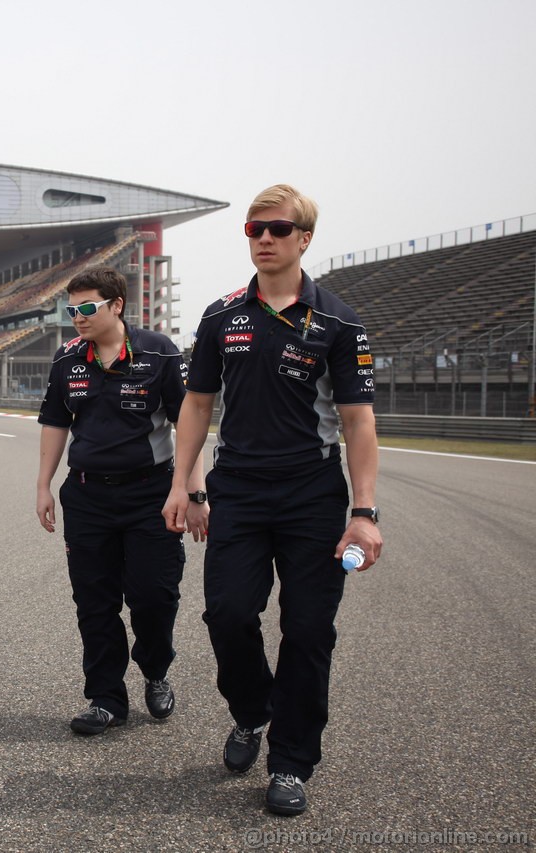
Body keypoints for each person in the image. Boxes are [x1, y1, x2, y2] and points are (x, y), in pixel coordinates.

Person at [162, 185, 383, 816]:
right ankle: (252, 711)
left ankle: (290, 761)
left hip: (312, 493)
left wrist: (363, 514)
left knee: (309, 630)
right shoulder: (220, 315)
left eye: (278, 229)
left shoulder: (339, 322)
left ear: (304, 238)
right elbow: (196, 405)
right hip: (237, 489)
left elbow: (359, 421)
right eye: (255, 228)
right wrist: (185, 485)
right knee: (227, 615)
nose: (264, 238)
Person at [35, 268, 208, 736]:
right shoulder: (67, 358)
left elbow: (188, 425)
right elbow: (55, 423)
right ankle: (105, 697)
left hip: (151, 494)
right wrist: (43, 485)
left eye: (87, 307)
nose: (77, 317)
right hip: (87, 495)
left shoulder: (159, 352)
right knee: (94, 601)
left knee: (154, 595)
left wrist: (193, 493)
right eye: (71, 309)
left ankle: (155, 669)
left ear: (116, 305)